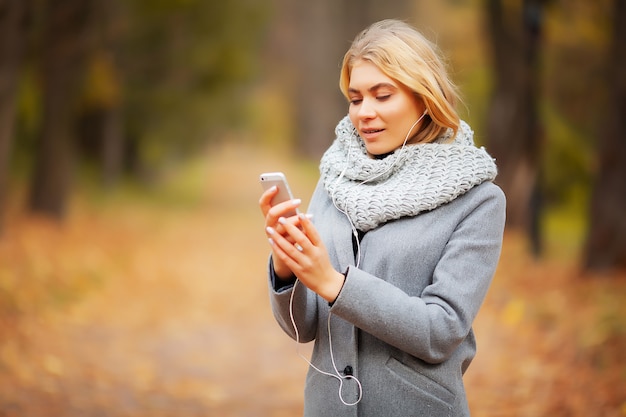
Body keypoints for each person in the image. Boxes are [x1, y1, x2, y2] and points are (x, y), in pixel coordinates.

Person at [259, 19, 505, 416]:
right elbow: (302, 329)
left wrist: (335, 284)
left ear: (424, 98)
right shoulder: (335, 178)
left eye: (382, 95)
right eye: (356, 99)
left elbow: (441, 331)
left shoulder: (478, 199)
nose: (364, 113)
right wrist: (287, 268)